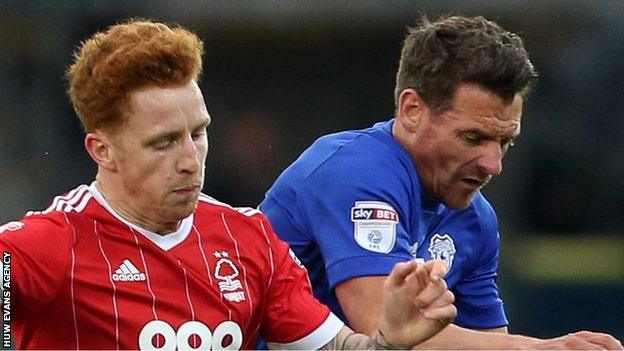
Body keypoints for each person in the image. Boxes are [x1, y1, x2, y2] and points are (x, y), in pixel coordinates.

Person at [0, 19, 457, 350]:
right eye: (163, 143)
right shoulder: (47, 247)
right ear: (102, 151)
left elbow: (337, 349)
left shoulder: (248, 239)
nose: (189, 160)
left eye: (197, 133)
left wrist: (390, 341)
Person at [259, 15, 623, 350]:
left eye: (505, 142)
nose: (493, 164)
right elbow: (386, 333)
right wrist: (541, 348)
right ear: (412, 110)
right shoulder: (354, 171)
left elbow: (488, 345)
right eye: (473, 138)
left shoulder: (476, 218)